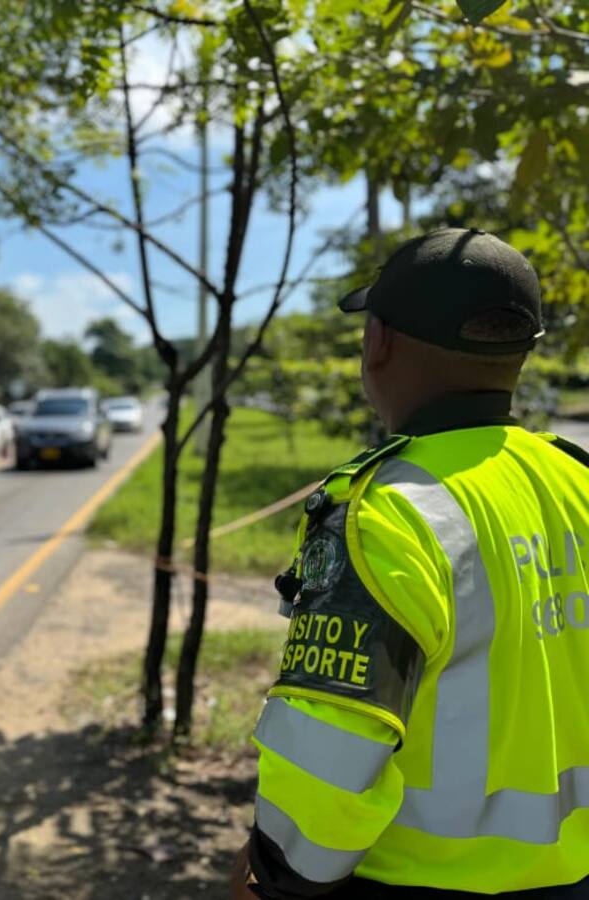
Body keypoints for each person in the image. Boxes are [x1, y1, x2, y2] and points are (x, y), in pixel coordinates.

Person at [232, 228, 589, 899]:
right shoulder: (576, 480)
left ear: (380, 343)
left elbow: (328, 765)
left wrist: (271, 877)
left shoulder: (383, 513)